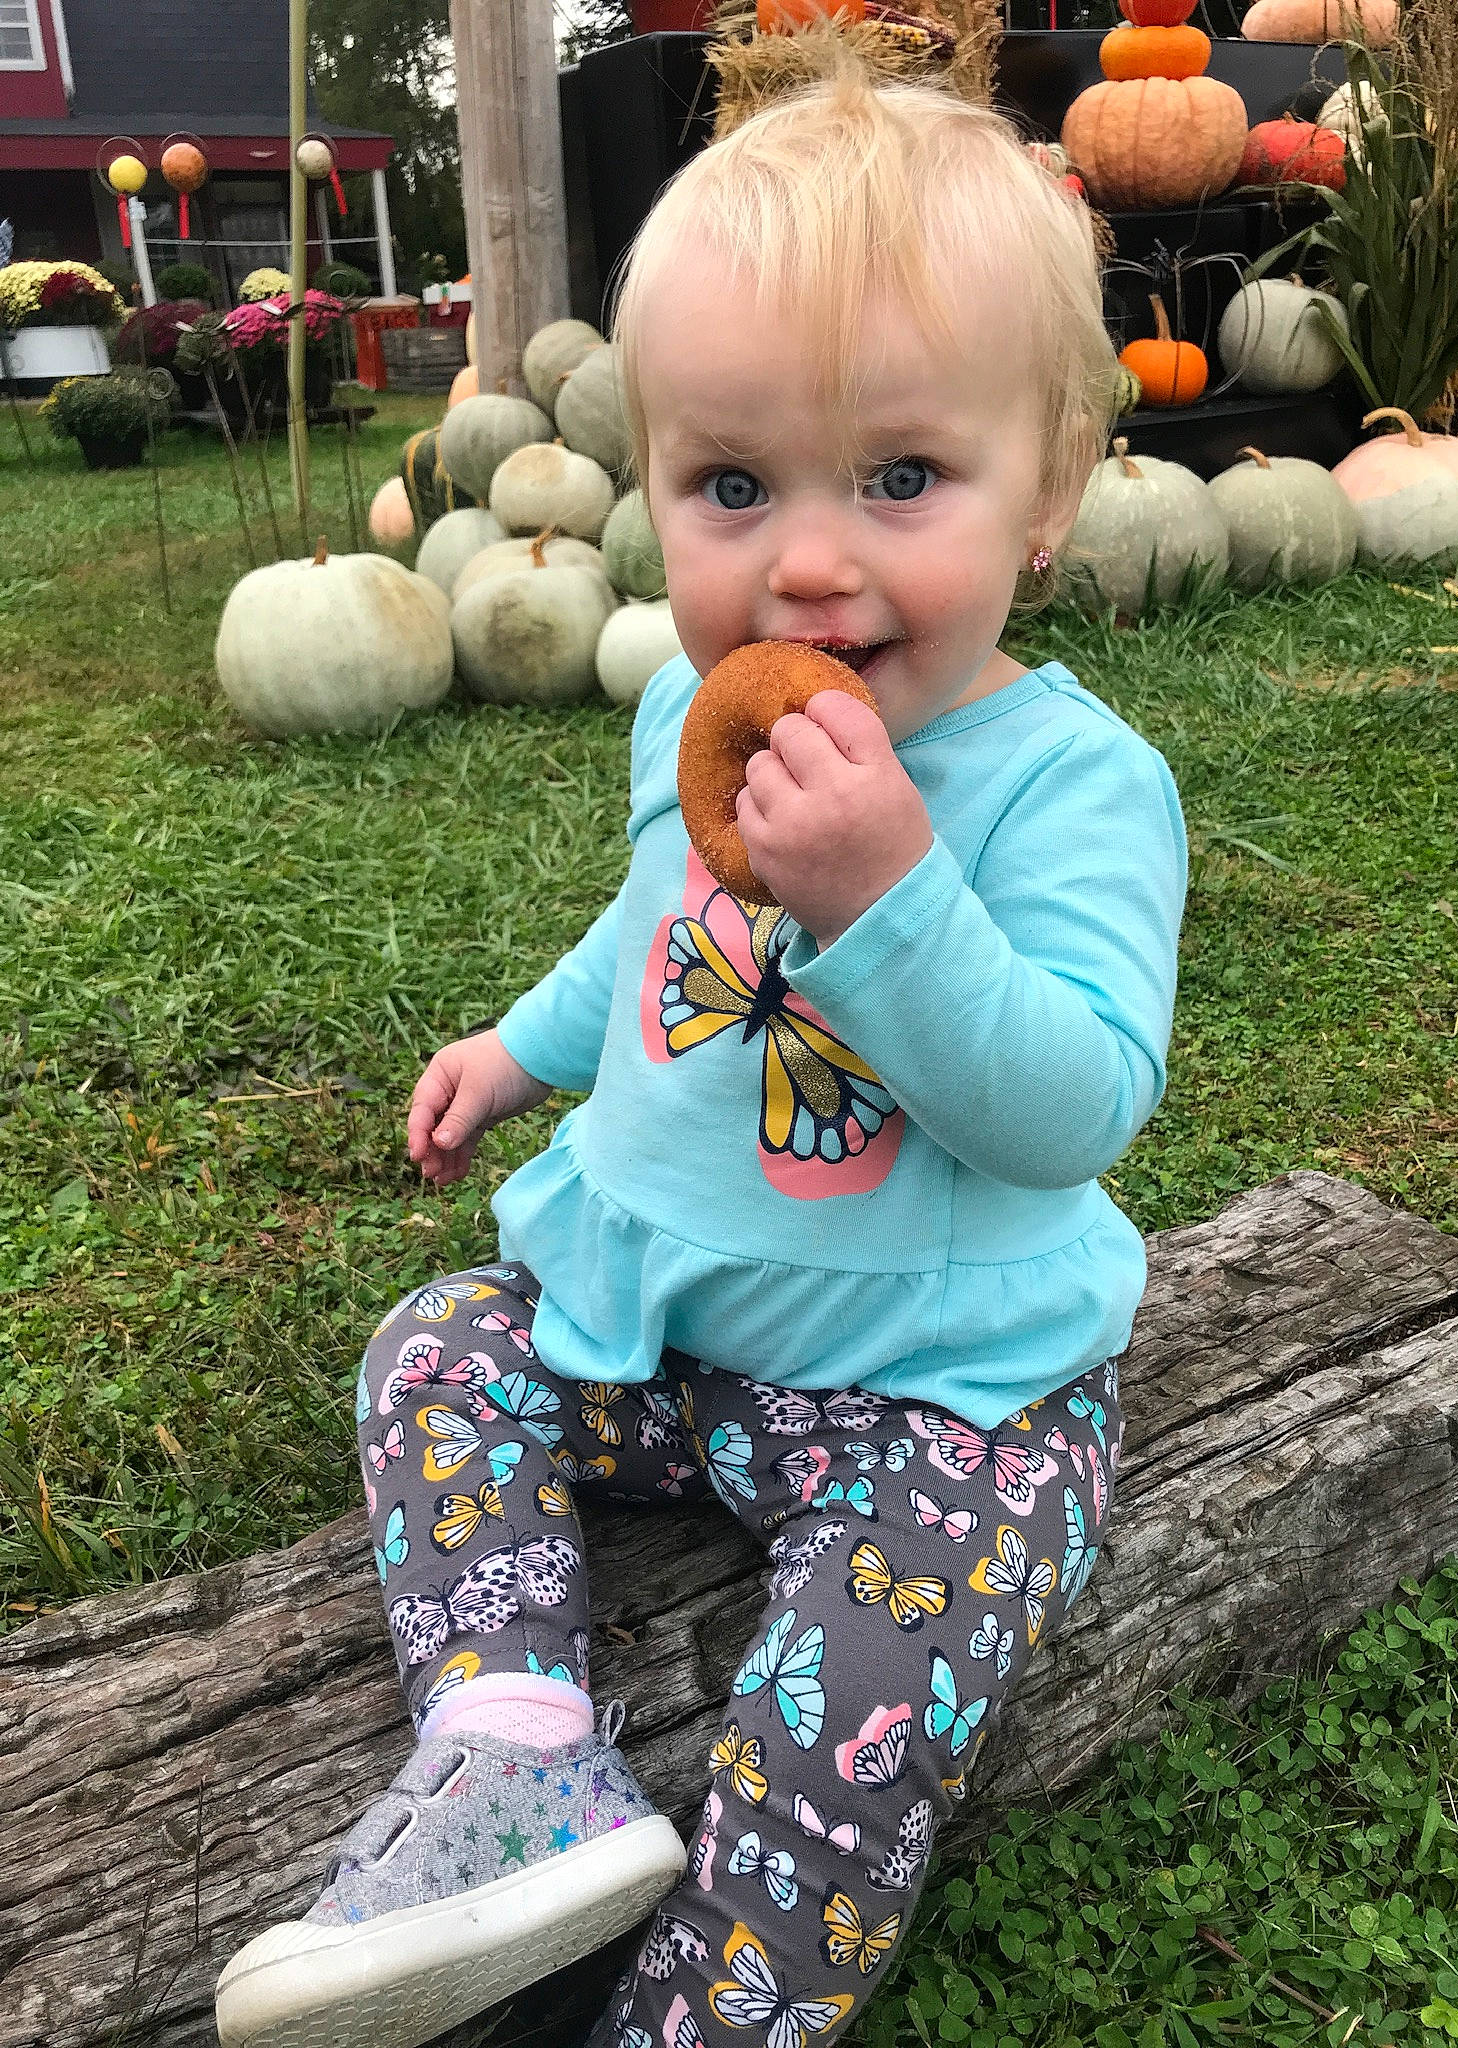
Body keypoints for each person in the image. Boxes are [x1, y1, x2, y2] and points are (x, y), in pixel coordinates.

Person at [215, 58, 1187, 2048]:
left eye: (901, 480)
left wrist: (892, 900)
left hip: (942, 1398)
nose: (809, 564)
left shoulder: (1074, 786)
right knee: (437, 1354)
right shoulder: (699, 717)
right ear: (652, 485)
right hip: (663, 1351)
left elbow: (1074, 1104)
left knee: (854, 1708)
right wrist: (518, 1047)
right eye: (735, 489)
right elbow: (659, 935)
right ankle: (512, 1756)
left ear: (1051, 490)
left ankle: (702, 2011)